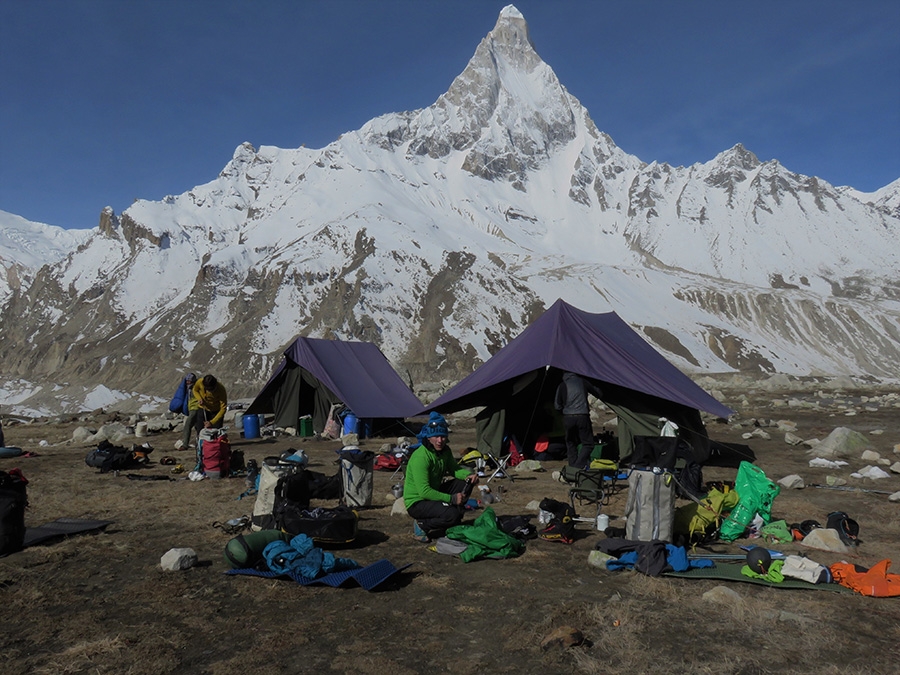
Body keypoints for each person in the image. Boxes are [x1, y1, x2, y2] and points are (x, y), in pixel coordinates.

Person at [403, 411, 478, 542]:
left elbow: (454, 470)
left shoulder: (445, 451)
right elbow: (424, 491)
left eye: (442, 436)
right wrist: (452, 499)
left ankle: (452, 520)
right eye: (436, 436)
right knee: (451, 515)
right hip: (418, 502)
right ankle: (422, 525)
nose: (440, 441)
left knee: (463, 483)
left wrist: (469, 475)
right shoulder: (421, 457)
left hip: (434, 493)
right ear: (429, 437)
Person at [555, 371, 603, 469]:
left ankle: (572, 467)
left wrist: (564, 412)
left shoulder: (562, 385)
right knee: (588, 444)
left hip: (568, 417)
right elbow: (598, 393)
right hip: (582, 415)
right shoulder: (582, 382)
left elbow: (557, 405)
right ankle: (578, 466)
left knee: (570, 442)